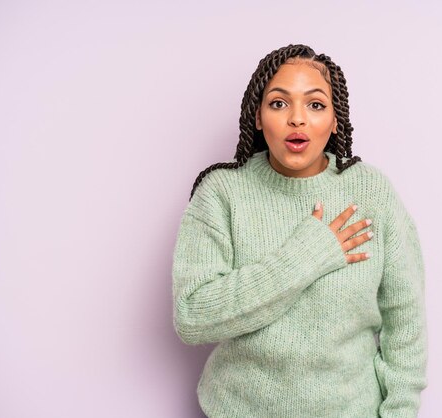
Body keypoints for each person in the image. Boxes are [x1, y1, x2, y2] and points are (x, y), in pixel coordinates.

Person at [172, 44, 428, 417]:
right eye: (278, 103)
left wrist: (400, 413)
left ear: (336, 119)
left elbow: (405, 321)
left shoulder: (371, 192)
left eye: (315, 105)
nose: (297, 119)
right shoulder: (222, 193)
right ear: (257, 117)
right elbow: (192, 317)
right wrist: (307, 255)